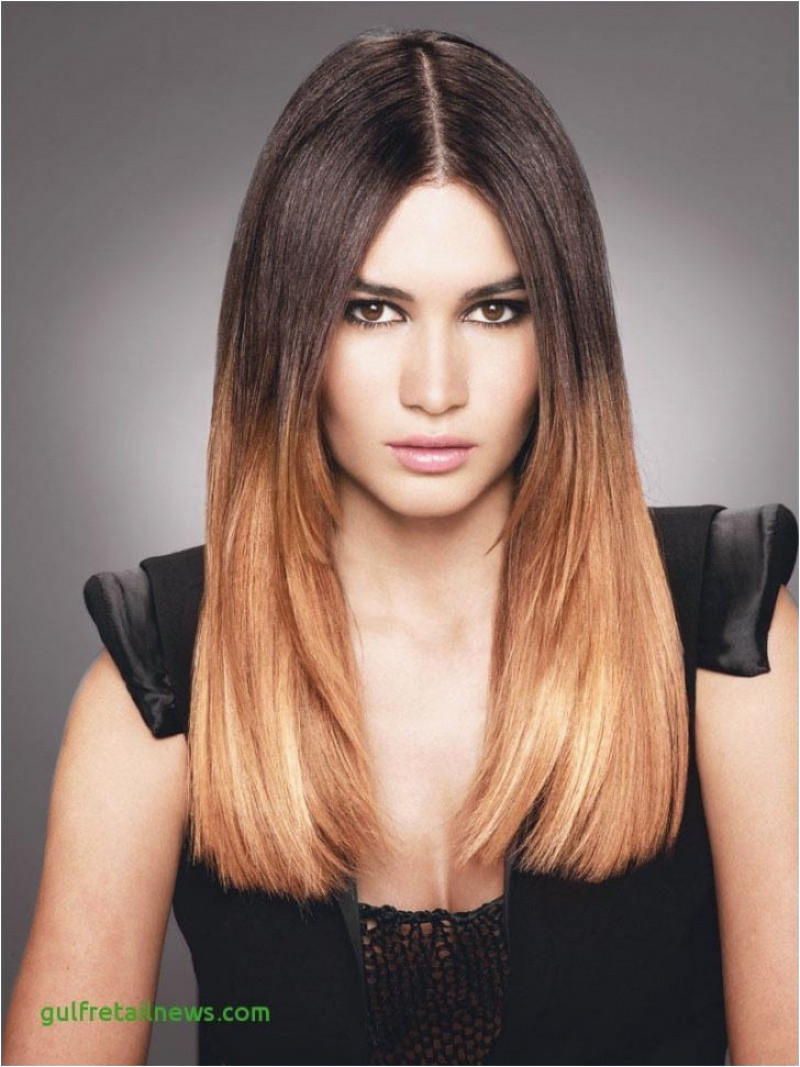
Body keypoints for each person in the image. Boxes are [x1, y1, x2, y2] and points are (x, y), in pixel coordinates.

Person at [4, 27, 797, 1067]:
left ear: (563, 336)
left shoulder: (725, 633)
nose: (435, 387)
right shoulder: (159, 679)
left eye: (495, 310)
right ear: (286, 333)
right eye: (370, 309)